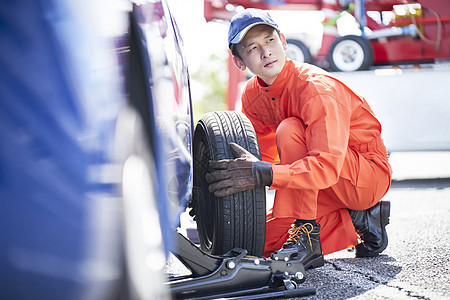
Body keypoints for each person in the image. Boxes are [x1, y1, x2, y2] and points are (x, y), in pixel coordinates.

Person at [205, 8, 392, 269]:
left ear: (283, 41)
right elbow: (262, 161)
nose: (265, 52)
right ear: (239, 61)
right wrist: (211, 200)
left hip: (362, 176)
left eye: (269, 40)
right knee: (250, 245)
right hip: (315, 183)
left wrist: (266, 173)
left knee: (290, 130)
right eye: (252, 48)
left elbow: (324, 167)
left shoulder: (316, 89)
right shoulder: (252, 95)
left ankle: (308, 238)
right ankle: (360, 220)